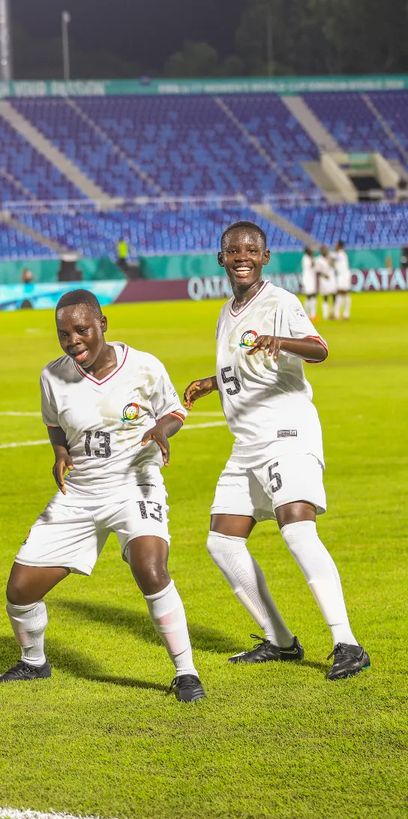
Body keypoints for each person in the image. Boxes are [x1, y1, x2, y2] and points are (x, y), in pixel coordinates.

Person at [0, 289, 204, 701]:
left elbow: (174, 410)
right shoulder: (52, 375)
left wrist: (161, 430)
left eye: (82, 330)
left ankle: (186, 673)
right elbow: (55, 424)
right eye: (64, 334)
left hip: (134, 483)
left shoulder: (143, 366)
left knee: (150, 567)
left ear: (102, 324)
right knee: (20, 590)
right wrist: (59, 453)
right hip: (80, 492)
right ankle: (34, 662)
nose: (73, 341)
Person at [183, 221, 368, 681]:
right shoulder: (227, 311)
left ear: (265, 257)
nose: (242, 256)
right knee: (222, 542)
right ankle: (281, 641)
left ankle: (347, 642)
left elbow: (319, 349)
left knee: (297, 530)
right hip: (247, 443)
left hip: (287, 433)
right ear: (221, 258)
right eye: (234, 250)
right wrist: (212, 382)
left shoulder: (279, 302)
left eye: (252, 250)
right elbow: (244, 365)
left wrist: (280, 341)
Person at [315, 245, 336, 320]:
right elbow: (317, 271)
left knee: (334, 295)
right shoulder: (318, 260)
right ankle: (325, 315)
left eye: (326, 249)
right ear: (321, 251)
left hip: (332, 279)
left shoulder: (330, 258)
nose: (325, 251)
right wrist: (324, 275)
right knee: (325, 297)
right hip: (324, 280)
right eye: (324, 250)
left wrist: (330, 260)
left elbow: (334, 265)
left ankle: (333, 313)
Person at [332, 240, 351, 320]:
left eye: (336, 244)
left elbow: (332, 258)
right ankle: (343, 314)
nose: (335, 246)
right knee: (343, 294)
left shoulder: (341, 254)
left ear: (339, 246)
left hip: (343, 275)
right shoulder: (341, 254)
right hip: (342, 275)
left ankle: (338, 314)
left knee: (341, 293)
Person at [300, 248, 317, 320]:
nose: (312, 251)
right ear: (307, 252)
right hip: (307, 279)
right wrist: (313, 258)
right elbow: (312, 265)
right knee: (309, 296)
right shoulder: (305, 258)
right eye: (311, 251)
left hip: (311, 279)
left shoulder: (309, 258)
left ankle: (312, 315)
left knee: (312, 296)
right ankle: (306, 314)